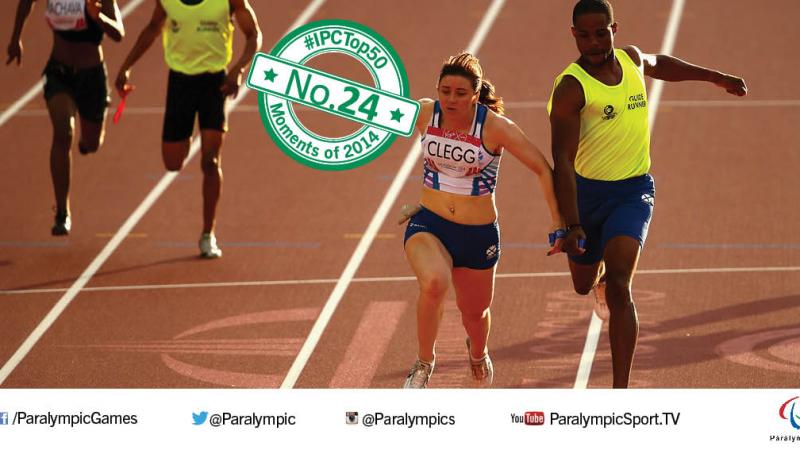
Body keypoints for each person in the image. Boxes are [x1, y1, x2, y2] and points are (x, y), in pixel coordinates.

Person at [548, 0, 747, 388]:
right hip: (587, 195)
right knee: (582, 284)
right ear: (573, 35)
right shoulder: (571, 87)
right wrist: (570, 224)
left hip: (633, 190)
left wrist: (716, 77)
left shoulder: (632, 60)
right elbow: (562, 159)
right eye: (584, 35)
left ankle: (620, 393)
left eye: (601, 32)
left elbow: (662, 65)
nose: (593, 42)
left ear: (614, 29)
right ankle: (597, 277)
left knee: (622, 287)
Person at [400, 52, 563, 388]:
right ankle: (423, 362)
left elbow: (543, 169)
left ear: (475, 94)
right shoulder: (423, 113)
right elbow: (365, 109)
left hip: (477, 236)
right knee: (433, 283)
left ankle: (478, 352)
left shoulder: (494, 127)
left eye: (460, 93)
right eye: (445, 91)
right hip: (430, 224)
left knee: (474, 314)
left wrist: (557, 221)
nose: (450, 99)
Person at [114, 0, 261, 258]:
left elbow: (253, 34)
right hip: (180, 82)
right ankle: (186, 138)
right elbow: (152, 28)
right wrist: (126, 66)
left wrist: (238, 70)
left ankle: (208, 235)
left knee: (210, 161)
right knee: (172, 163)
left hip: (214, 82)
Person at [7, 0, 125, 235]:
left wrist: (98, 17)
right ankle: (62, 212)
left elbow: (119, 33)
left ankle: (86, 142)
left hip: (92, 76)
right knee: (63, 132)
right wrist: (15, 38)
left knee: (91, 144)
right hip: (59, 72)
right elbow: (26, 2)